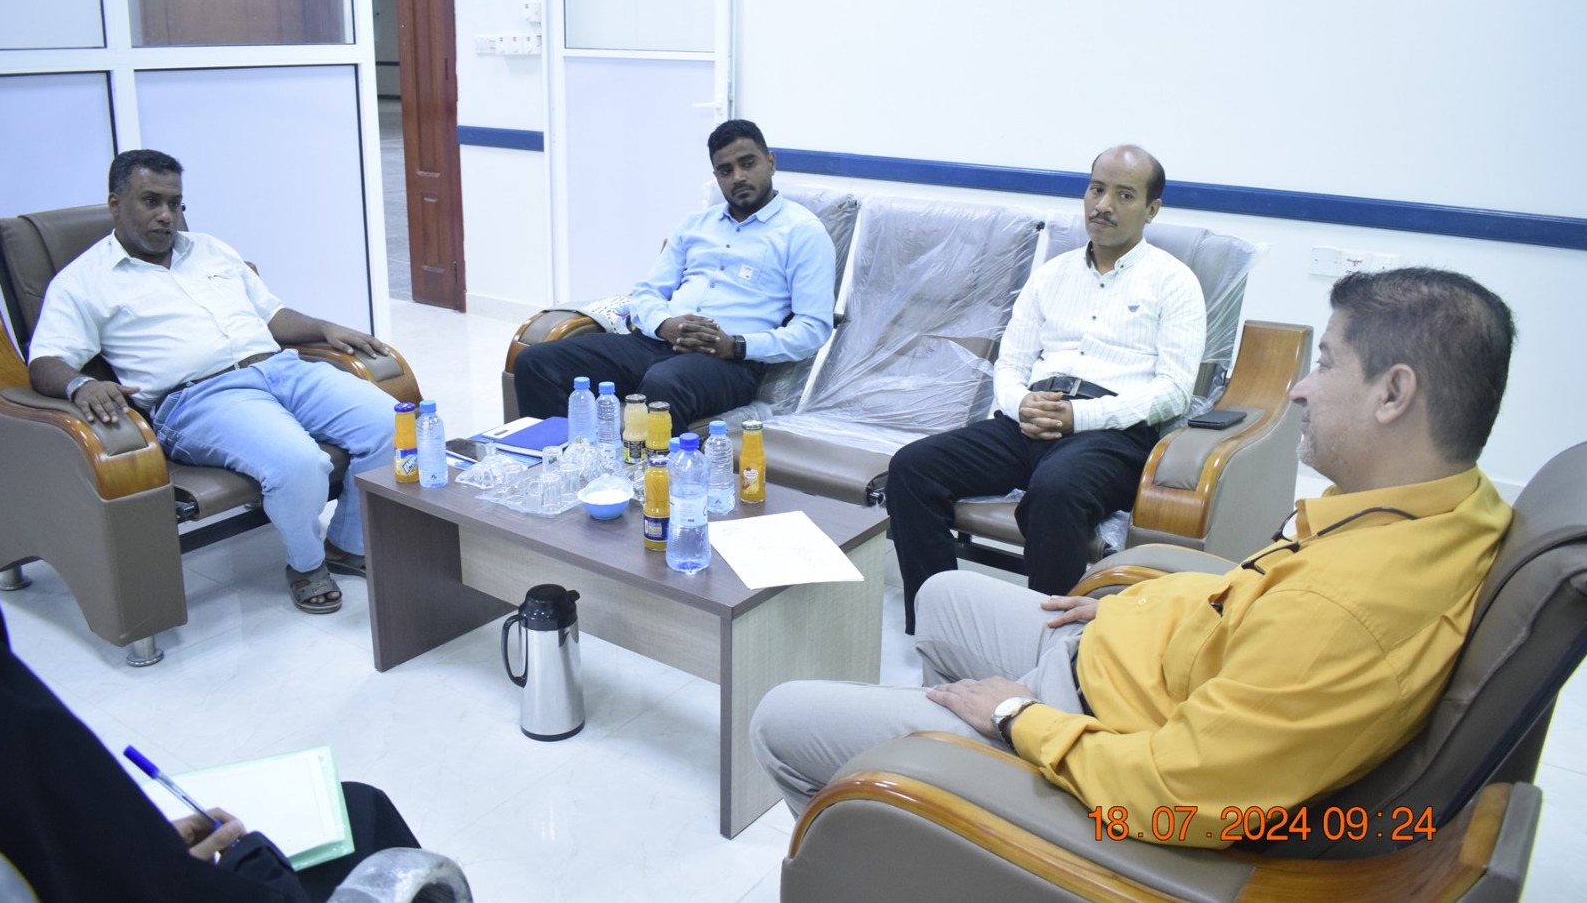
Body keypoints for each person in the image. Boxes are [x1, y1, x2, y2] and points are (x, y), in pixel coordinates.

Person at [752, 267, 1515, 847]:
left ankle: (934, 809)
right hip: (1115, 666)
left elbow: (1175, 796)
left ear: (1394, 393)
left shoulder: (1345, 611)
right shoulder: (1441, 506)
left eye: (1327, 362)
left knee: (777, 719)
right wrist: (1132, 603)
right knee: (942, 598)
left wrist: (1017, 717)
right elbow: (1246, 600)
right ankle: (940, 821)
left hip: (1093, 740)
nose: (1300, 388)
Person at [27, 149, 396, 614]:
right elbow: (44, 360)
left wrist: (324, 328)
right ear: (115, 204)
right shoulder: (84, 281)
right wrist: (80, 385)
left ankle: (347, 543)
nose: (166, 215)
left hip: (283, 369)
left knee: (394, 424)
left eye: (175, 202)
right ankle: (306, 564)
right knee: (299, 463)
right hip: (200, 399)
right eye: (151, 201)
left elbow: (271, 315)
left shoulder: (210, 249)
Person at [886, 144, 1207, 632]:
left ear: (1152, 209)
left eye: (1124, 195)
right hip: (1030, 420)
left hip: (1110, 434)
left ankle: (1043, 642)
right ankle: (938, 623)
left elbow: (1174, 391)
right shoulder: (1051, 275)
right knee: (912, 467)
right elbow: (1010, 364)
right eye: (1096, 189)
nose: (1103, 205)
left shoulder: (1174, 282)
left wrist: (1080, 417)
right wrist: (1022, 404)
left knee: (1056, 490)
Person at [0, 589, 422, 902]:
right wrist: (247, 865)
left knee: (354, 804)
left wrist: (151, 850)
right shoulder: (24, 734)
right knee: (363, 819)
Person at [512, 118, 837, 428]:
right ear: (716, 176)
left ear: (771, 162)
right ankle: (564, 458)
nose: (738, 177)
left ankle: (654, 470)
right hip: (653, 343)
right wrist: (664, 325)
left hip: (728, 363)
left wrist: (735, 345)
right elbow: (648, 291)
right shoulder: (695, 225)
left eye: (747, 163)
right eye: (725, 170)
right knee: (537, 362)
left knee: (664, 384)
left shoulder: (802, 232)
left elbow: (813, 328)